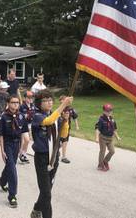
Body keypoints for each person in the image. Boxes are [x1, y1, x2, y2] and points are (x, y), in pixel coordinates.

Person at [30, 90, 73, 218]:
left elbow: (64, 135)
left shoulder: (56, 118)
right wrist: (63, 105)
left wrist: (65, 121)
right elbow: (48, 121)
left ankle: (36, 209)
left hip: (54, 157)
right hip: (42, 158)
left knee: (46, 190)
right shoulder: (37, 116)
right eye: (45, 100)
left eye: (50, 100)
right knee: (47, 193)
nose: (49, 102)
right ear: (39, 103)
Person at [0, 94, 28, 208]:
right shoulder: (3, 117)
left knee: (11, 166)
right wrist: (2, 150)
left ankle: (2, 181)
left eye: (17, 102)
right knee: (12, 169)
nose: (15, 104)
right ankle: (12, 195)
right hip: (7, 144)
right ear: (8, 104)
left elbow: (22, 132)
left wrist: (21, 147)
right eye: (13, 102)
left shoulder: (21, 116)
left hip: (16, 144)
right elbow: (0, 135)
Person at [95, 103, 121, 171]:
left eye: (110, 111)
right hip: (103, 138)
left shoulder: (112, 120)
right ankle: (100, 165)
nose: (109, 112)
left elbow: (114, 130)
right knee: (102, 151)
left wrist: (117, 137)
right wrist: (97, 138)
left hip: (110, 138)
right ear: (104, 111)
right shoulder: (101, 120)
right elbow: (97, 129)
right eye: (107, 111)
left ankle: (105, 161)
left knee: (112, 151)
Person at [58, 95, 79, 164]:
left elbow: (75, 117)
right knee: (59, 143)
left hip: (67, 128)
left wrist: (77, 126)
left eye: (63, 101)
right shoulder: (60, 109)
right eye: (61, 102)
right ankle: (56, 150)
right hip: (60, 128)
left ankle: (63, 157)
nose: (62, 103)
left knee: (65, 142)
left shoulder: (71, 109)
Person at [19, 90, 35, 163]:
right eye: (28, 98)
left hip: (30, 125)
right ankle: (21, 154)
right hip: (23, 125)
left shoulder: (33, 106)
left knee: (27, 140)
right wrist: (24, 116)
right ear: (25, 98)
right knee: (25, 140)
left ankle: (23, 153)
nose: (30, 99)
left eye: (31, 97)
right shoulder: (22, 106)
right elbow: (19, 115)